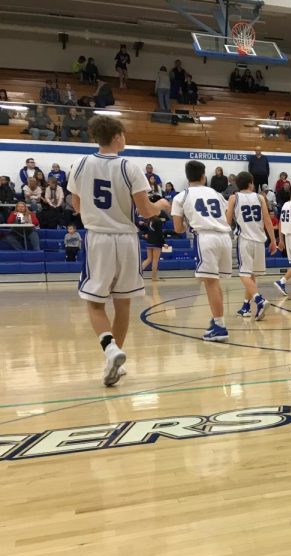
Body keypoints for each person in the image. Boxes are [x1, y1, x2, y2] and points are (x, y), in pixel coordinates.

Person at [68, 114, 170, 386]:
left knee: (94, 303)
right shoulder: (130, 167)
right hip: (126, 240)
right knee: (122, 303)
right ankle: (112, 359)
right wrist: (161, 205)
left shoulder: (78, 165)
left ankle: (110, 350)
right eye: (123, 134)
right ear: (116, 136)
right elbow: (147, 211)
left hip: (98, 238)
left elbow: (76, 207)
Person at [170, 160, 232, 341]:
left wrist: (188, 224)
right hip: (225, 237)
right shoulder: (215, 193)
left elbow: (177, 228)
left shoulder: (181, 196)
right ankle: (216, 319)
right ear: (204, 177)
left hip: (205, 238)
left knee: (210, 283)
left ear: (187, 177)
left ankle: (220, 327)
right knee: (215, 281)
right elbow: (228, 215)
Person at [227, 171, 278, 319]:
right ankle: (246, 306)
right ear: (250, 183)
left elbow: (227, 220)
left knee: (243, 274)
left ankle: (259, 300)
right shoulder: (260, 197)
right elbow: (268, 221)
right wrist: (273, 241)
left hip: (244, 240)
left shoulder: (233, 197)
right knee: (251, 275)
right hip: (260, 241)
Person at [140, 214, 165, 281]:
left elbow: (147, 231)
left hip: (149, 241)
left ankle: (137, 272)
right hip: (156, 242)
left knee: (149, 259)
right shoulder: (158, 220)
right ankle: (154, 277)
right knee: (155, 260)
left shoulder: (149, 220)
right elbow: (160, 233)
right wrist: (164, 243)